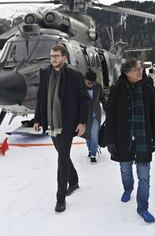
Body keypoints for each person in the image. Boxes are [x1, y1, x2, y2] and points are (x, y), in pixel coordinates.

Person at [33, 44, 89, 213]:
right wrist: (37, 119)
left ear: (64, 57)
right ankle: (74, 180)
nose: (53, 59)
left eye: (56, 56)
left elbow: (84, 100)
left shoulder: (75, 76)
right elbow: (41, 98)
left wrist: (82, 122)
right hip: (51, 122)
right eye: (51, 56)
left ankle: (60, 198)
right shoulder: (45, 75)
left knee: (62, 158)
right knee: (62, 154)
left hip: (67, 124)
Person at [105, 59, 155, 223]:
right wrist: (110, 140)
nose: (140, 71)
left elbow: (153, 115)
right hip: (123, 139)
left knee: (144, 177)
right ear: (127, 72)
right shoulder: (116, 90)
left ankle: (143, 208)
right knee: (125, 170)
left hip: (143, 139)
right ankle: (128, 188)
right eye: (137, 69)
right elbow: (110, 116)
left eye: (141, 69)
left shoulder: (148, 90)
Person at [83, 70, 107, 163]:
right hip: (84, 116)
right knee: (87, 135)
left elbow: (103, 98)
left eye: (92, 83)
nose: (90, 85)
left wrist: (107, 109)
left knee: (94, 134)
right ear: (85, 80)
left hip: (95, 115)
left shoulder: (98, 87)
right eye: (88, 83)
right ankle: (89, 149)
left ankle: (93, 153)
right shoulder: (80, 87)